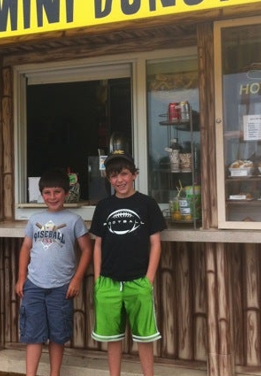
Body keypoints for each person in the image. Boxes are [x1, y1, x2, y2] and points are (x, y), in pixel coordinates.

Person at [90, 150, 167, 376]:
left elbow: (156, 244)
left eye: (123, 174)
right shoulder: (103, 206)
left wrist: (148, 279)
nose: (119, 180)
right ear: (108, 179)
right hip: (108, 282)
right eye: (113, 176)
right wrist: (98, 280)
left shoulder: (147, 204)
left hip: (138, 282)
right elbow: (97, 245)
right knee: (113, 338)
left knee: (145, 336)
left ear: (134, 174)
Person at [15, 168, 92, 376]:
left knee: (58, 335)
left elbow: (87, 250)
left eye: (57, 192)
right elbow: (25, 248)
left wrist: (76, 279)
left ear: (66, 193)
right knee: (33, 334)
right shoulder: (34, 219)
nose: (52, 197)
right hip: (34, 286)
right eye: (47, 193)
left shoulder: (74, 220)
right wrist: (22, 277)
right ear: (41, 195)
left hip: (61, 288)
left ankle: (54, 373)